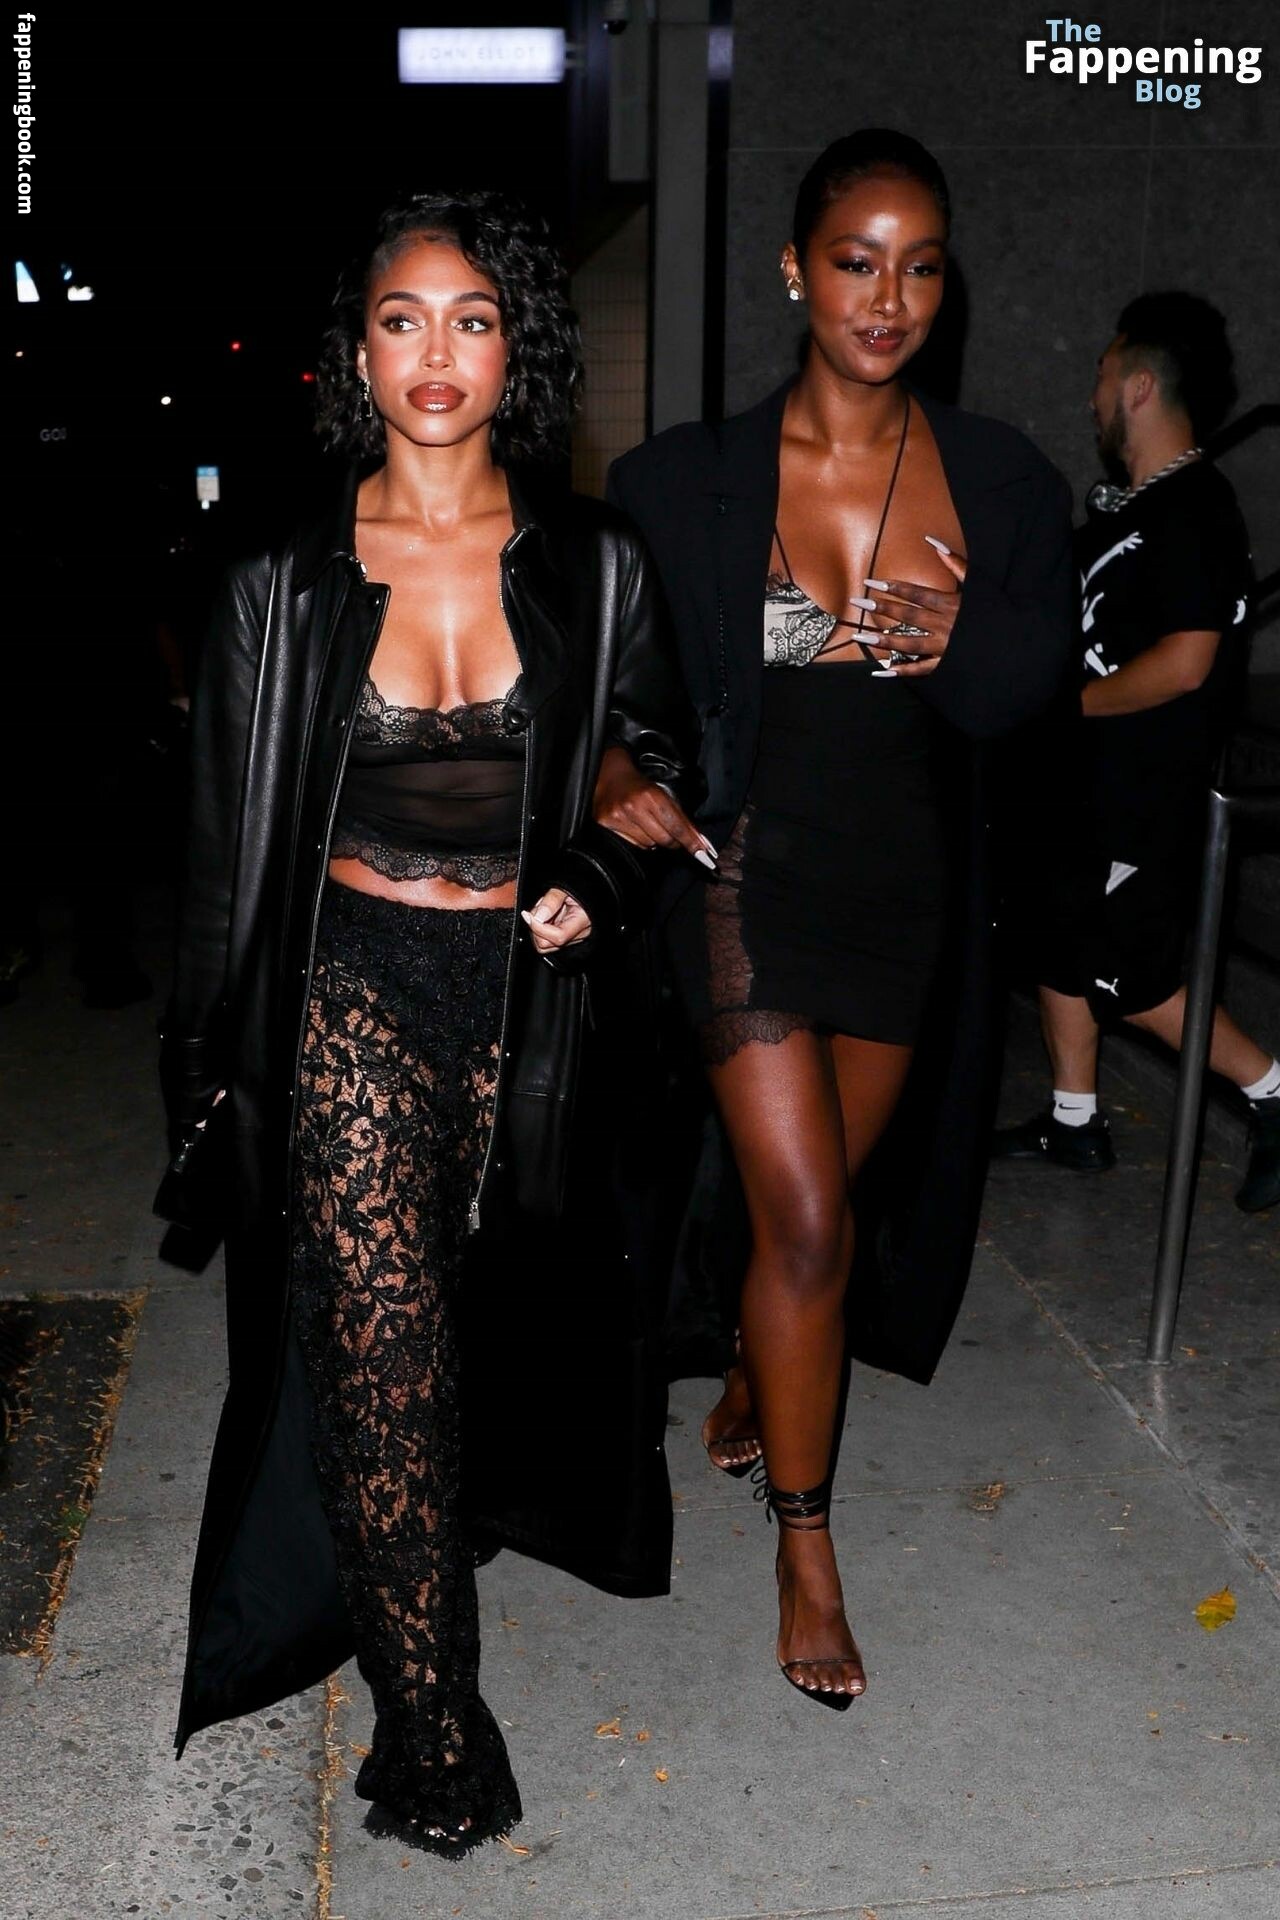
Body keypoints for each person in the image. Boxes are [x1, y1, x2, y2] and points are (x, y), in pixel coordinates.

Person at [159, 189, 702, 1855]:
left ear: (517, 347)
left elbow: (666, 765)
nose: (437, 352)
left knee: (477, 1344)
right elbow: (223, 861)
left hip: (527, 1009)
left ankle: (426, 1554)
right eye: (403, 319)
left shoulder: (598, 563)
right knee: (382, 1360)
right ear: (358, 355)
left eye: (473, 318)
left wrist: (598, 879)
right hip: (350, 995)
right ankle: (432, 1717)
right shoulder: (279, 580)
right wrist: (207, 1079)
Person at [603, 131, 1074, 1705]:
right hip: (741, 873)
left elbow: (1035, 699)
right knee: (809, 1220)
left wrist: (963, 634)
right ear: (796, 269)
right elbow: (606, 681)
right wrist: (612, 769)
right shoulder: (682, 481)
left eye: (920, 266)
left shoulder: (998, 478)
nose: (889, 297)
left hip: (903, 889)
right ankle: (806, 1548)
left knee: (820, 1205)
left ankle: (761, 1358)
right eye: (858, 261)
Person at [993, 293, 1279, 1213]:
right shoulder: (1129, 513)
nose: (1092, 397)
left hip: (1145, 792)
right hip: (1089, 784)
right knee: (1056, 936)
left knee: (1133, 980)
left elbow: (1188, 661)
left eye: (1103, 374)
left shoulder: (1194, 509)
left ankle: (1276, 1094)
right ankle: (1074, 1121)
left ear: (1141, 385)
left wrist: (1065, 708)